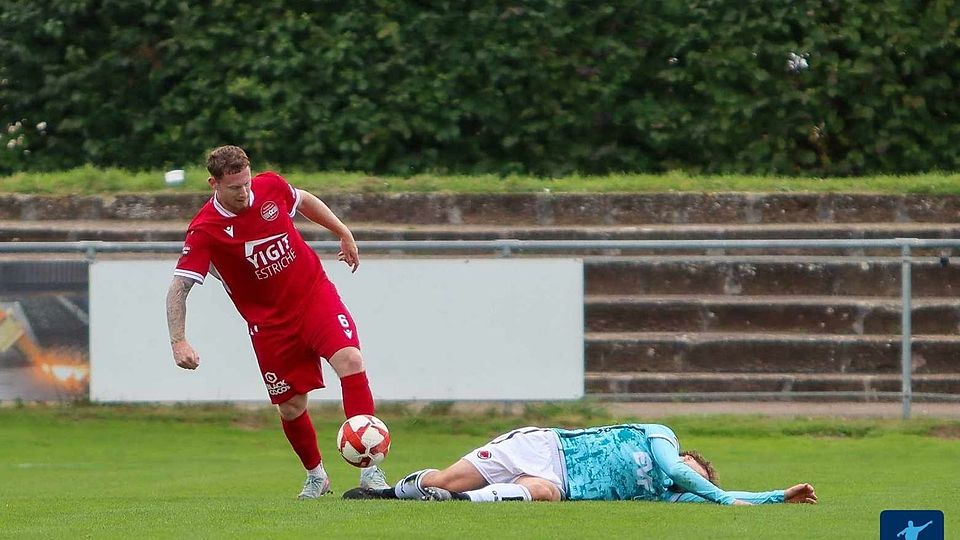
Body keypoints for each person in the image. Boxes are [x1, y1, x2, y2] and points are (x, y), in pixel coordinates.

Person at [165, 145, 387, 499]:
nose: (244, 192)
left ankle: (372, 471)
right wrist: (179, 341)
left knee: (351, 360)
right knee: (291, 406)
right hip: (269, 325)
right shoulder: (204, 230)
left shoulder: (271, 187)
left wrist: (342, 231)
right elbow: (179, 288)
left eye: (246, 183)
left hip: (313, 297)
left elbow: (304, 200)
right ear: (214, 184)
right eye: (234, 187)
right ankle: (317, 476)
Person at [344, 423, 817, 505]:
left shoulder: (666, 490)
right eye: (694, 470)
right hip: (546, 448)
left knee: (545, 495)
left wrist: (778, 496)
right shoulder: (662, 437)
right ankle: (385, 493)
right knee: (447, 473)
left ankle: (454, 502)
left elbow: (727, 499)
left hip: (558, 481)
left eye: (697, 482)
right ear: (688, 456)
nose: (687, 476)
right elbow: (676, 471)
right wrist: (713, 493)